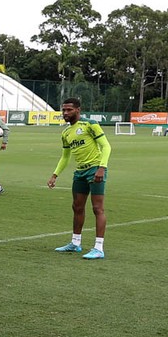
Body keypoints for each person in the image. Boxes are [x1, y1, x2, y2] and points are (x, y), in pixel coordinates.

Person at [48, 97, 111, 259]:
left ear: (78, 110)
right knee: (77, 207)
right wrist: (55, 175)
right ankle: (75, 243)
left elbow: (106, 146)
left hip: (95, 169)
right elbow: (65, 156)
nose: (65, 113)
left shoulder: (89, 124)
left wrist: (101, 168)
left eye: (69, 109)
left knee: (98, 209)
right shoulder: (66, 133)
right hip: (80, 172)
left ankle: (99, 248)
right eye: (63, 110)